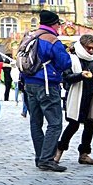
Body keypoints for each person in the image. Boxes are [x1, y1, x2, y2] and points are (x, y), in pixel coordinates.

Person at [21, 10, 73, 172]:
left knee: (35, 122)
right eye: (59, 24)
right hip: (47, 84)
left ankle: (40, 157)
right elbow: (65, 63)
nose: (59, 27)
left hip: (29, 84)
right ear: (54, 24)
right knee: (55, 123)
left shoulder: (30, 36)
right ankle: (46, 159)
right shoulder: (52, 40)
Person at [55, 35, 93, 166]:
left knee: (90, 125)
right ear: (82, 46)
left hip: (90, 95)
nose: (92, 51)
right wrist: (80, 75)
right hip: (75, 96)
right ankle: (58, 152)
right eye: (89, 48)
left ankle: (84, 154)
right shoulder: (71, 58)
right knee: (73, 125)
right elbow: (66, 77)